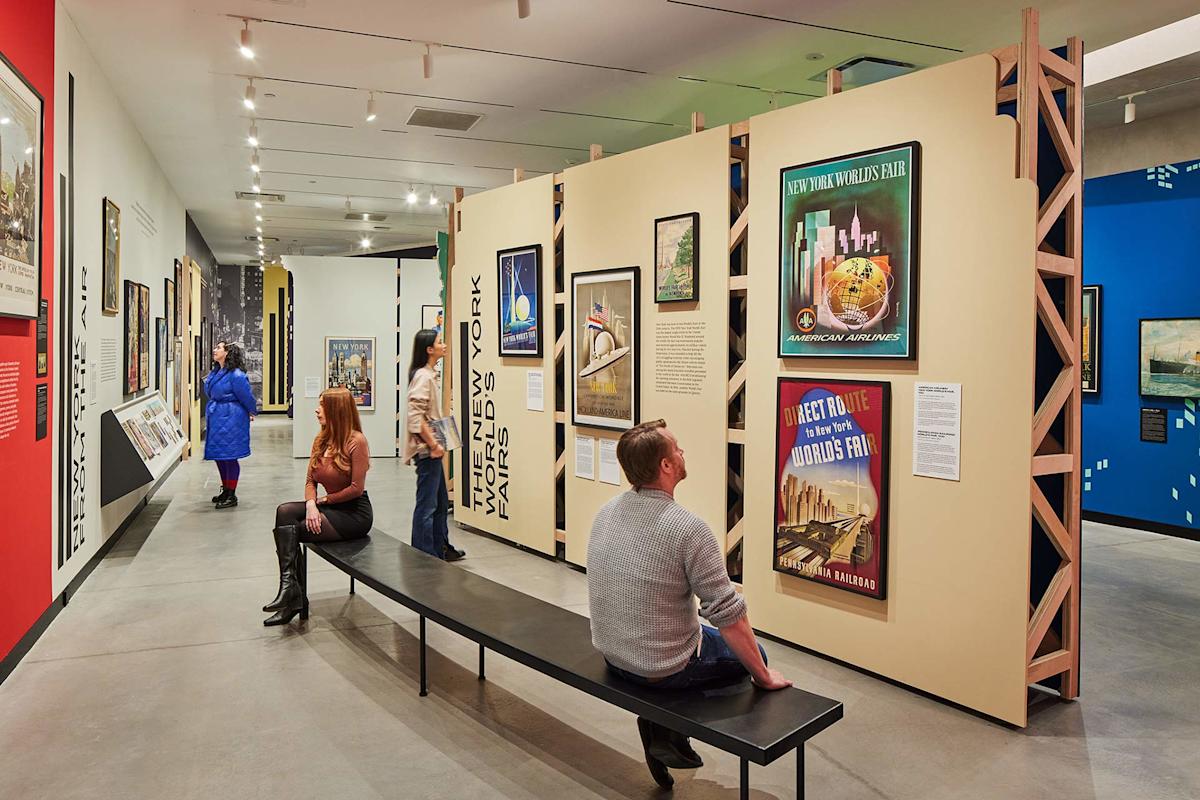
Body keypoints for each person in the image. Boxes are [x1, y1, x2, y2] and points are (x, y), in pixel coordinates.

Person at [587, 419, 792, 789]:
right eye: (677, 448)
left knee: (711, 639)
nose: (682, 453)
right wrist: (764, 675)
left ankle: (661, 725)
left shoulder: (607, 511)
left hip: (613, 655)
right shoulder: (687, 528)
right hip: (660, 667)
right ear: (666, 466)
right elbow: (729, 615)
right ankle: (666, 726)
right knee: (753, 653)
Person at [263, 387, 373, 626]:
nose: (316, 410)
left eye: (322, 405)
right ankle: (290, 591)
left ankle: (293, 598)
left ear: (337, 410)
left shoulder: (356, 441)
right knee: (284, 512)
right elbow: (310, 480)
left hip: (354, 514)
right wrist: (311, 504)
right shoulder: (321, 440)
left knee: (295, 532)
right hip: (330, 507)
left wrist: (320, 503)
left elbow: (356, 488)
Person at [404, 329, 464, 561]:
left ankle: (440, 547)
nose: (444, 345)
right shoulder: (423, 377)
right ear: (429, 349)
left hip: (431, 450)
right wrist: (433, 444)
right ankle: (423, 554)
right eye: (440, 342)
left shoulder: (428, 374)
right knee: (428, 505)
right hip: (428, 451)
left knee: (439, 503)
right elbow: (415, 417)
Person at [204, 341, 256, 509]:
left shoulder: (236, 375)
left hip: (232, 416)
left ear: (227, 352)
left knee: (230, 456)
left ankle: (231, 494)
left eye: (218, 348)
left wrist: (251, 411)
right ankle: (225, 490)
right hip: (218, 415)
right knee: (220, 456)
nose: (215, 350)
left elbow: (246, 396)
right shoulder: (216, 371)